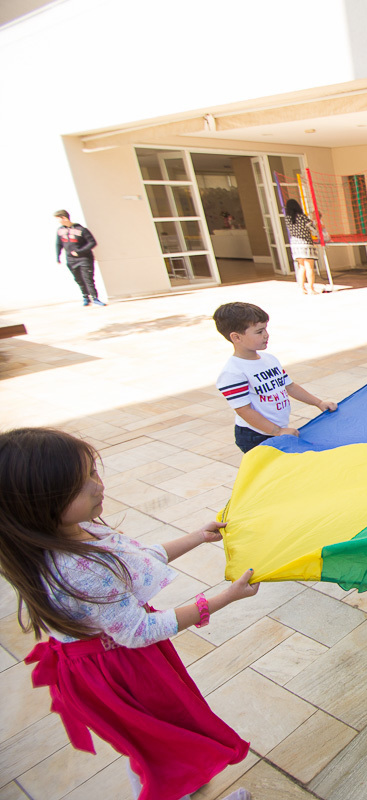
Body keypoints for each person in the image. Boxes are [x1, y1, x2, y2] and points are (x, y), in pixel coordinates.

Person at [0, 427, 257, 800]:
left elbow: (134, 560)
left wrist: (196, 537)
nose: (97, 485)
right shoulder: (78, 569)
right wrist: (221, 599)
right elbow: (138, 630)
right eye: (80, 483)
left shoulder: (73, 529)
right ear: (38, 505)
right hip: (119, 668)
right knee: (153, 744)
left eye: (92, 471)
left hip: (113, 659)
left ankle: (180, 779)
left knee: (150, 739)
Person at [213, 302, 337, 453]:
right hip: (255, 435)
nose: (266, 334)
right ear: (236, 337)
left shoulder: (269, 359)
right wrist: (277, 431)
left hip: (275, 430)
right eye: (259, 332)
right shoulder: (233, 372)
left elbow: (289, 386)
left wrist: (319, 403)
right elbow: (244, 410)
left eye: (265, 329)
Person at [54, 209, 105, 307]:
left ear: (64, 218)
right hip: (70, 260)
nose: (58, 221)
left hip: (84, 259)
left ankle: (95, 298)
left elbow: (92, 242)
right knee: (78, 279)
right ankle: (85, 297)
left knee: (88, 279)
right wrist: (58, 256)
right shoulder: (60, 231)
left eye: (58, 219)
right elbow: (58, 244)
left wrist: (80, 252)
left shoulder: (81, 229)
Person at [283, 199, 321, 295]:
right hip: (305, 243)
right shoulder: (302, 217)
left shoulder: (287, 219)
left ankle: (302, 288)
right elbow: (313, 229)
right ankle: (311, 288)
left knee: (301, 267)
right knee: (310, 267)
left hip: (295, 245)